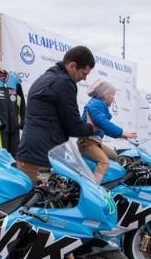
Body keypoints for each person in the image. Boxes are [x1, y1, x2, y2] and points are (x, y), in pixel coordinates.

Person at [16, 46, 97, 183]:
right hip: (42, 160)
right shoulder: (64, 82)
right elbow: (74, 128)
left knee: (32, 194)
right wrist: (91, 127)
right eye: (84, 73)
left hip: (28, 155)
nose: (84, 79)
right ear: (72, 66)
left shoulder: (45, 78)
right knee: (43, 195)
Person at [77, 80, 137, 183]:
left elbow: (103, 128)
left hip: (94, 142)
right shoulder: (96, 104)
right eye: (113, 95)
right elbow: (103, 123)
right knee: (104, 161)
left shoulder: (98, 105)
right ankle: (95, 187)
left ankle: (104, 177)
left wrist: (121, 135)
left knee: (113, 155)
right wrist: (121, 133)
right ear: (105, 95)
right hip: (87, 143)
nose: (114, 98)